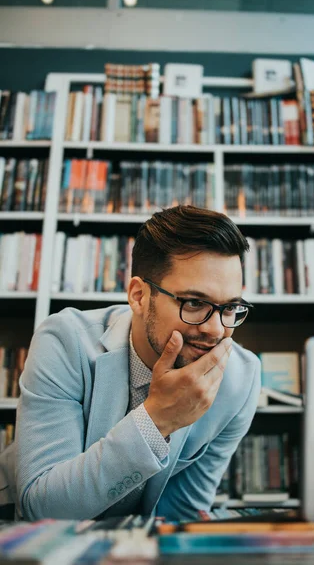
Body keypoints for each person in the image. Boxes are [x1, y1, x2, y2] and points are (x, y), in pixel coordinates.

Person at [0, 205, 261, 521]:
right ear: (139, 296)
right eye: (194, 303)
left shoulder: (238, 380)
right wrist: (157, 420)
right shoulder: (65, 341)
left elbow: (180, 513)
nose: (216, 329)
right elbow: (43, 508)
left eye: (230, 307)